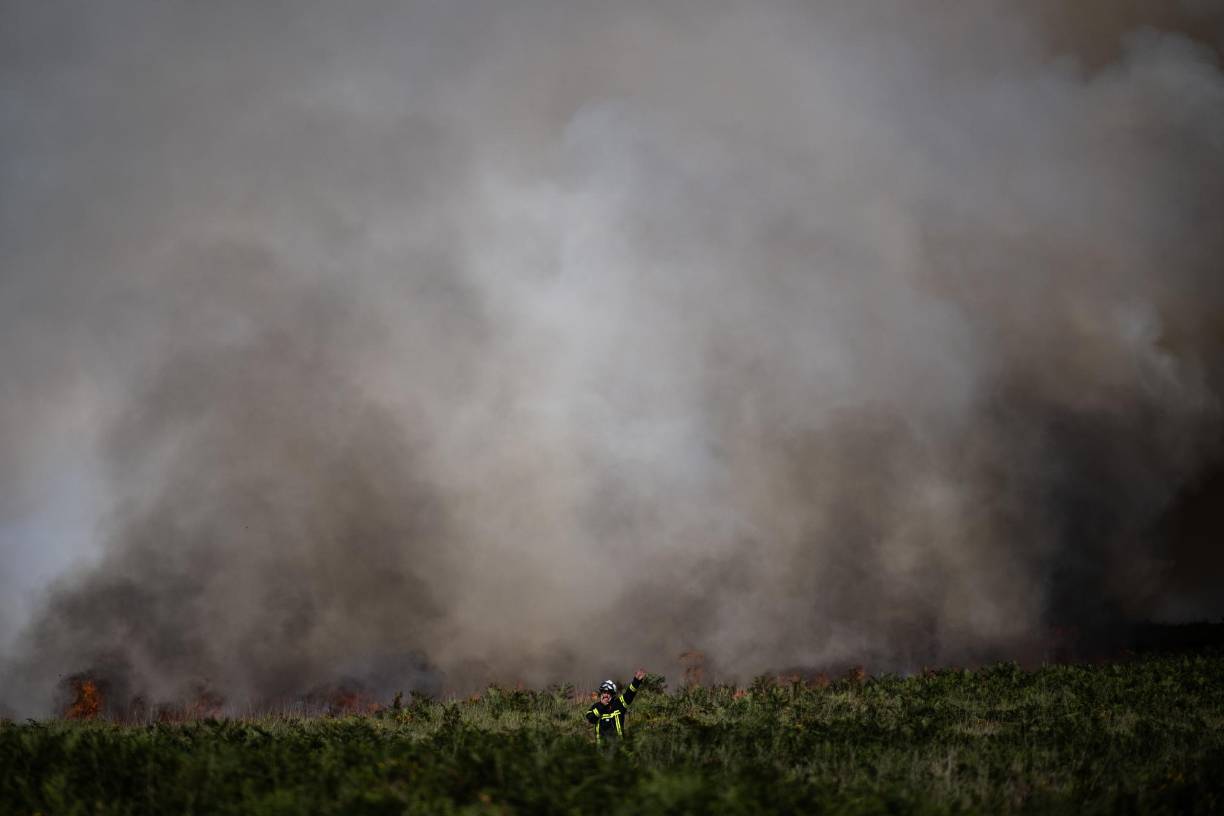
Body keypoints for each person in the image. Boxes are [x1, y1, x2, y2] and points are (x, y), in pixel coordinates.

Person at [585, 668, 647, 743]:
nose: (606, 695)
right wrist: (601, 706)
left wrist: (636, 681)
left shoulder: (619, 704)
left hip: (618, 746)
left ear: (612, 695)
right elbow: (590, 718)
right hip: (601, 748)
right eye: (604, 692)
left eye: (608, 693)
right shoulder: (596, 706)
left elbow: (629, 694)